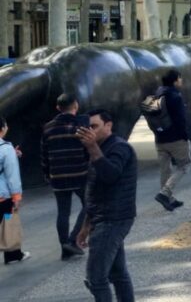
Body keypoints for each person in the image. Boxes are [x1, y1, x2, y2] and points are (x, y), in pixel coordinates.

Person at [76, 110, 138, 302]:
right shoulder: (100, 148)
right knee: (117, 273)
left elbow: (111, 175)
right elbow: (95, 190)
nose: (90, 132)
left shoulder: (119, 148)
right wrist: (86, 225)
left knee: (96, 278)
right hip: (104, 217)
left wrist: (93, 147)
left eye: (95, 126)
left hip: (114, 218)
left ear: (108, 125)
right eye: (88, 128)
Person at [41, 93, 89, 259]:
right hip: (79, 173)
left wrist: (47, 174)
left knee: (63, 212)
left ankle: (64, 248)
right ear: (76, 105)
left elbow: (44, 154)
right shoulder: (81, 125)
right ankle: (72, 240)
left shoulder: (48, 127)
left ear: (58, 108)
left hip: (58, 176)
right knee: (89, 204)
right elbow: (88, 149)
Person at [153, 70, 190, 212]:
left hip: (159, 138)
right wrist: (185, 136)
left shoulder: (157, 94)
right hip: (175, 138)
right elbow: (180, 119)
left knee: (165, 169)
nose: (181, 81)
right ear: (175, 80)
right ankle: (165, 193)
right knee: (184, 166)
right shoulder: (175, 96)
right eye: (180, 78)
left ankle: (169, 199)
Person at [0, 116, 29, 264]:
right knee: (9, 221)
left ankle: (14, 254)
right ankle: (13, 254)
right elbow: (12, 176)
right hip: (4, 199)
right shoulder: (5, 148)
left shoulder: (7, 149)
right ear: (3, 128)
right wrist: (16, 197)